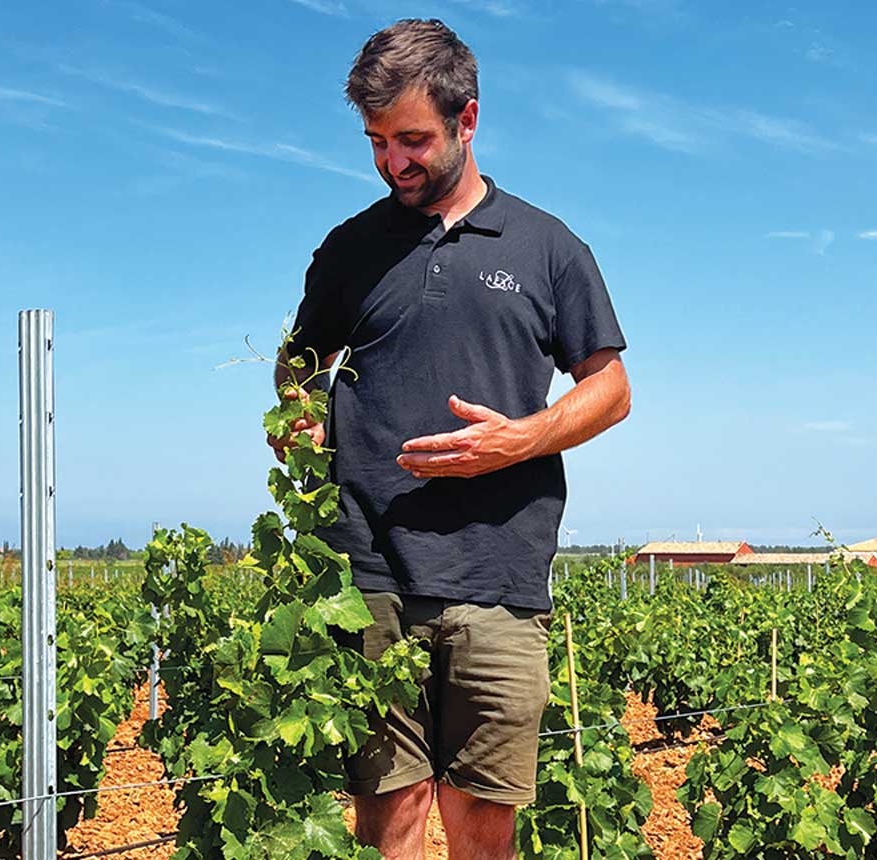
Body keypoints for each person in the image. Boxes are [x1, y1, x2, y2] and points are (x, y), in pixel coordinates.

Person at [266, 18, 631, 860]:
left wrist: (518, 441)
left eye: (414, 140)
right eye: (378, 141)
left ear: (468, 122)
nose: (395, 161)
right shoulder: (349, 249)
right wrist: (299, 409)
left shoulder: (548, 247)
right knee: (387, 819)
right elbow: (296, 368)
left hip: (497, 575)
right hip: (366, 577)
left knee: (481, 828)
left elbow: (609, 389)